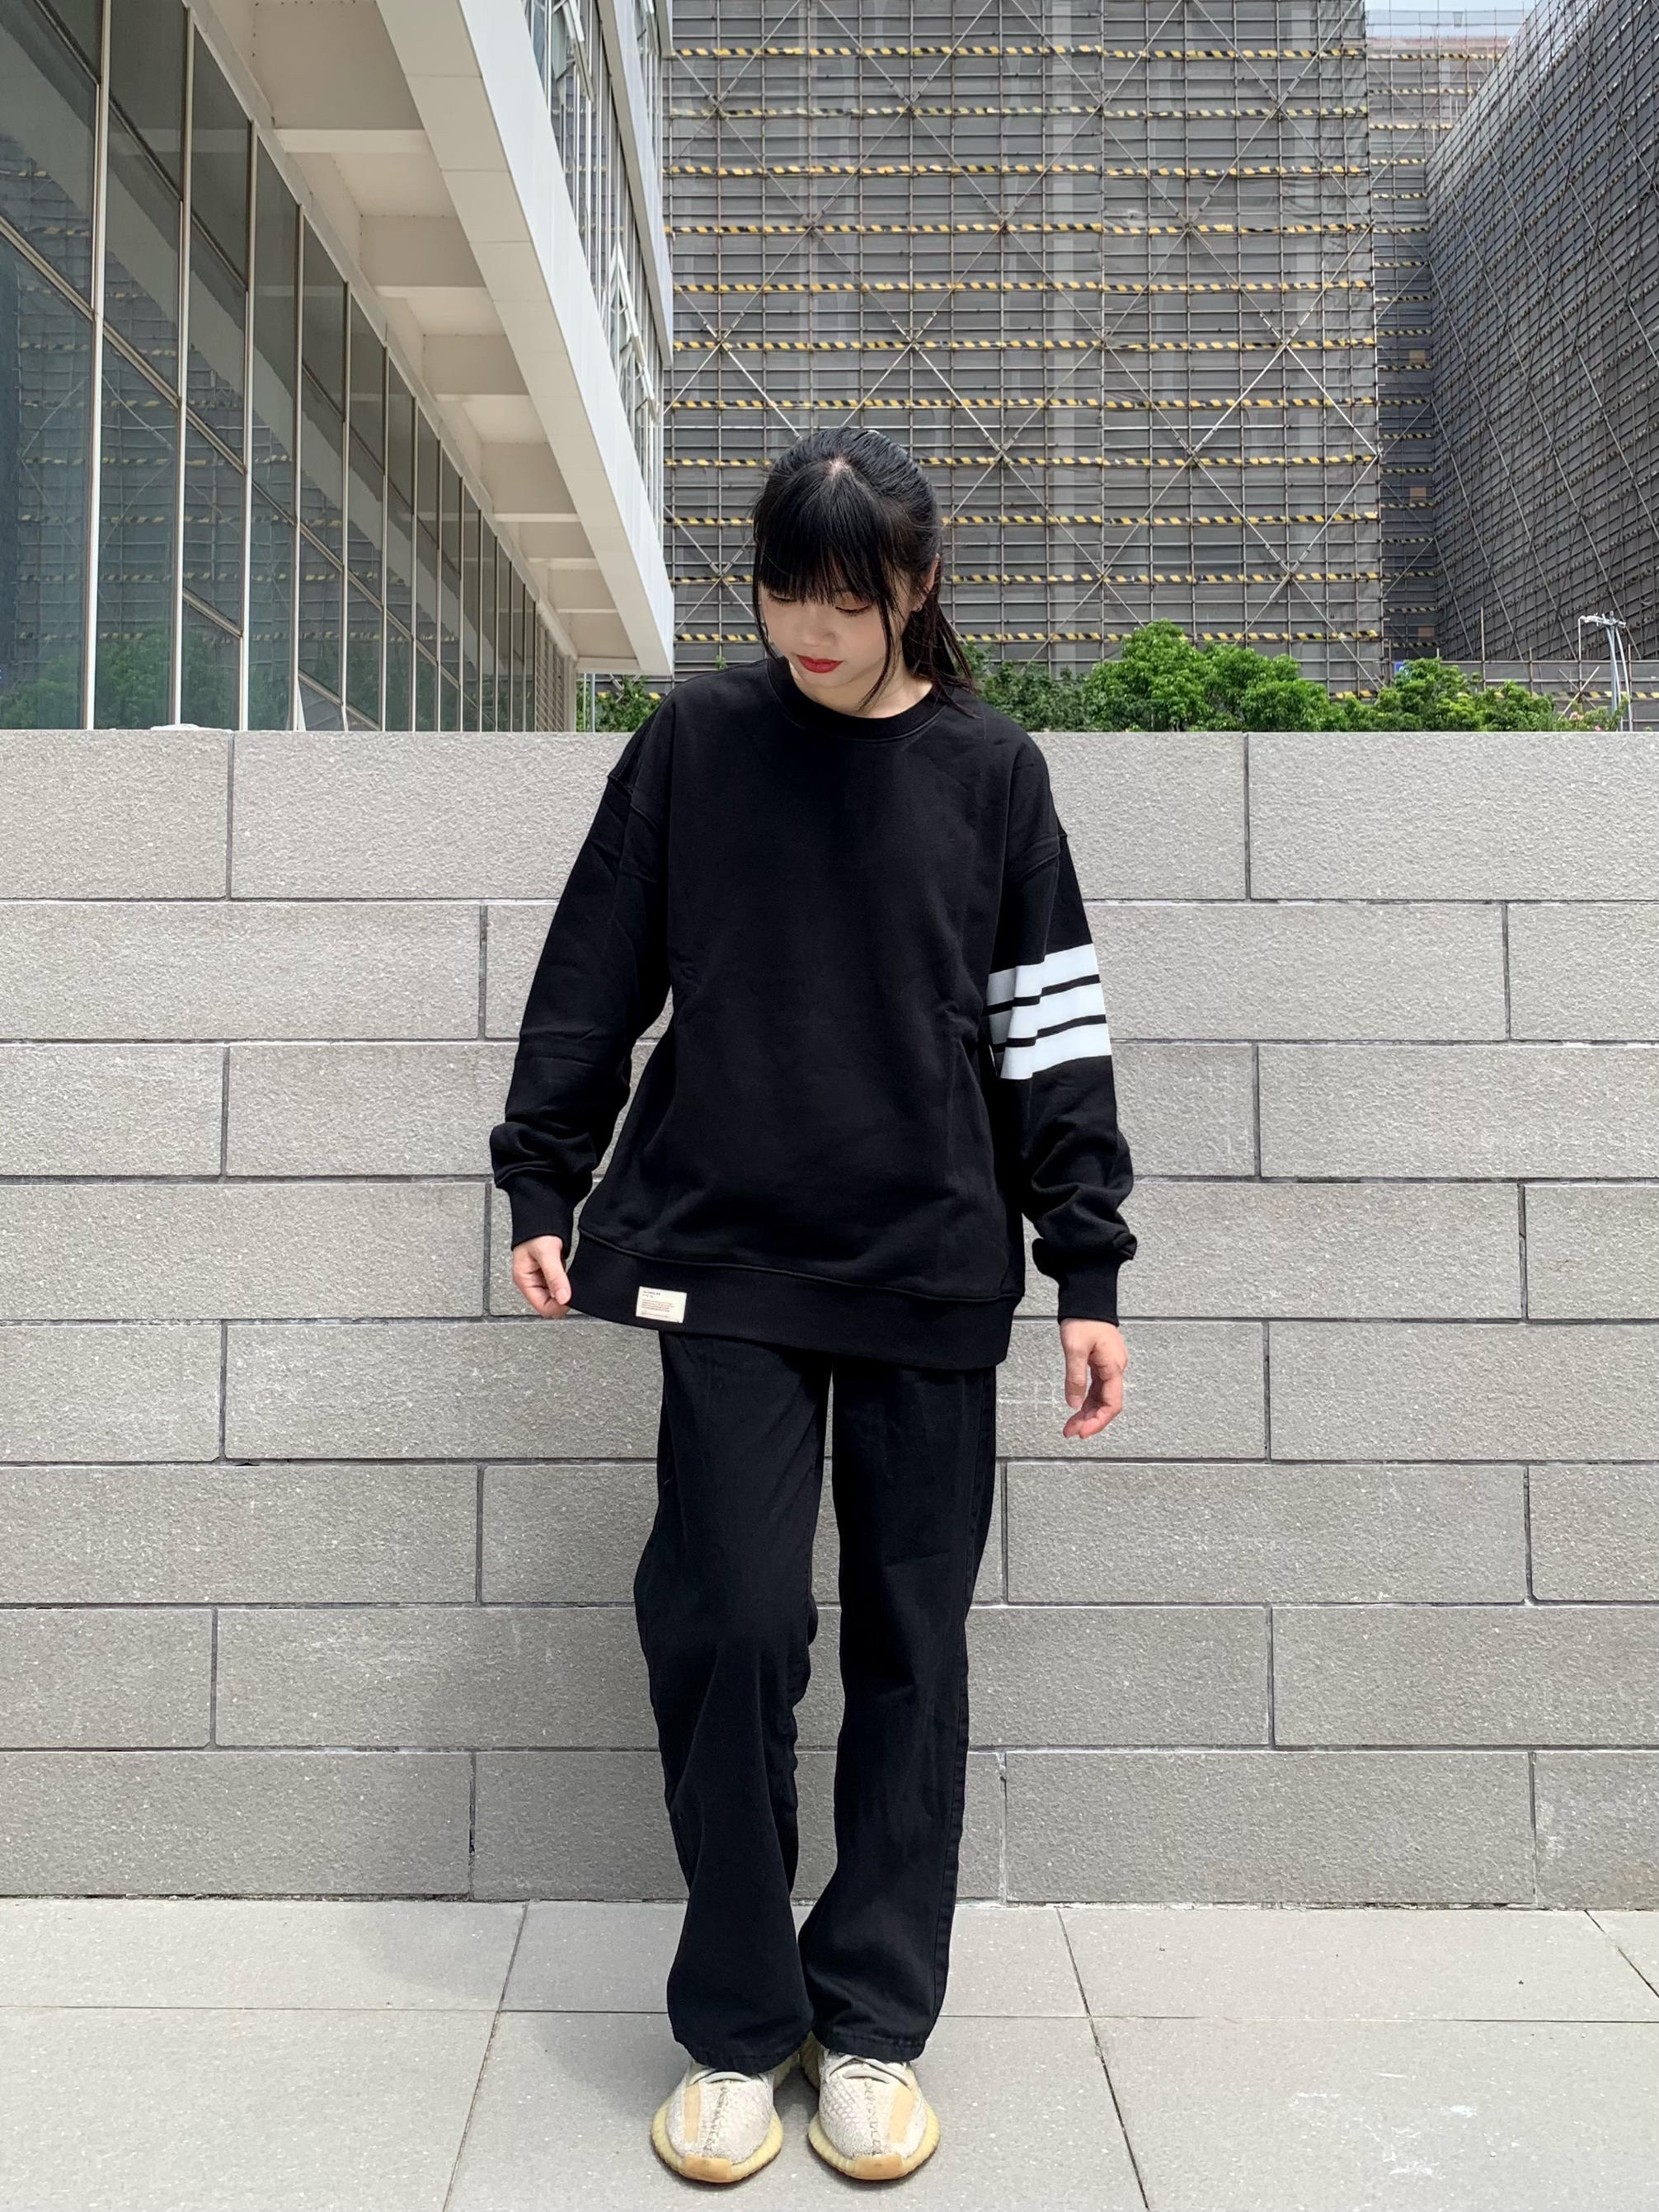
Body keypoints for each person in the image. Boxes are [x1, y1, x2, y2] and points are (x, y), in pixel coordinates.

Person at [489, 424, 1136, 2186]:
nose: (809, 632)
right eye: (784, 594)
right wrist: (543, 1172)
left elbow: (1051, 1030)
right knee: (732, 1624)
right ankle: (734, 2023)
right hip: (722, 1255)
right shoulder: (697, 741)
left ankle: (869, 2027)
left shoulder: (992, 772)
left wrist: (1085, 1264)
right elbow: (594, 963)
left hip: (929, 1262)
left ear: (914, 588)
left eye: (843, 600)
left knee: (912, 1647)